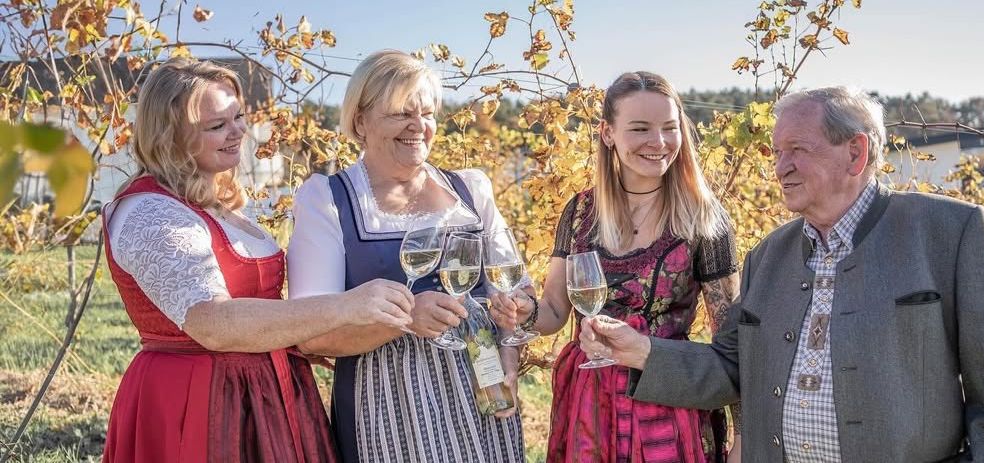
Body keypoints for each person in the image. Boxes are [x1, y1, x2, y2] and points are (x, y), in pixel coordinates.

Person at [581, 86, 984, 462]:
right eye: (777, 152)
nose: (781, 167)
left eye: (798, 150)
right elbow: (730, 366)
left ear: (856, 153)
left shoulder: (950, 233)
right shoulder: (769, 255)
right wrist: (641, 351)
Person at [102, 58, 414, 463]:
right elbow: (212, 323)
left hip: (266, 390)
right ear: (169, 135)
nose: (237, 133)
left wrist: (299, 335)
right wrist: (345, 306)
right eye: (217, 125)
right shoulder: (150, 211)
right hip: (199, 397)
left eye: (239, 117)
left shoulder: (215, 200)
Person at [286, 49, 525, 463]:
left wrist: (507, 355)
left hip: (480, 388)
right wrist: (404, 320)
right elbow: (311, 333)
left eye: (428, 113)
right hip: (388, 404)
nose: (419, 127)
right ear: (360, 121)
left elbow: (513, 288)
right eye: (401, 114)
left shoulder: (471, 190)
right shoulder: (329, 199)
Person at [490, 71, 741, 462]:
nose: (658, 142)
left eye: (669, 128)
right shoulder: (580, 213)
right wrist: (527, 312)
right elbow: (555, 311)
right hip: (589, 404)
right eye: (640, 128)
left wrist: (743, 438)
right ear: (608, 133)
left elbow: (733, 342)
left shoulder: (703, 218)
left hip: (669, 401)